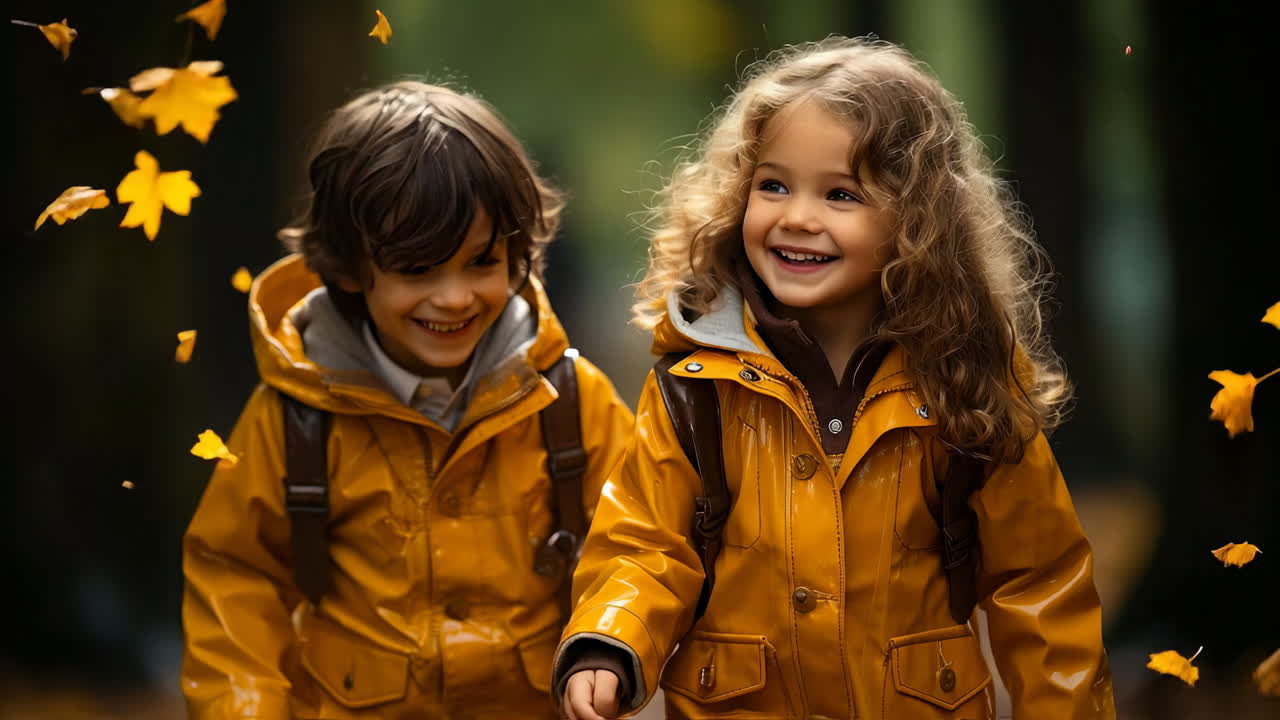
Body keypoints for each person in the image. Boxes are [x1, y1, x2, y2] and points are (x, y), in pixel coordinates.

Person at [554, 36, 1116, 719]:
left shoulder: (963, 379)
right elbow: (645, 541)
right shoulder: (696, 383)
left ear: (918, 219)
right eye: (773, 185)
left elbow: (1040, 584)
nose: (797, 217)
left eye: (840, 194)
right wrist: (608, 639)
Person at [181, 80, 634, 719]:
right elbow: (236, 576)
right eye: (417, 269)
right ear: (348, 267)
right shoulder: (296, 415)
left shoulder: (565, 398)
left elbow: (635, 541)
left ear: (517, 253)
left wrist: (606, 643)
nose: (453, 297)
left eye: (481, 262)